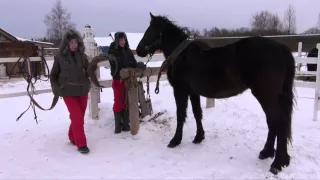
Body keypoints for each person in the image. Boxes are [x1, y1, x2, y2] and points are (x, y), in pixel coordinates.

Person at [50, 29, 91, 154]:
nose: (74, 45)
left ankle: (72, 136)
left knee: (79, 117)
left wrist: (93, 67)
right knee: (77, 116)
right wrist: (57, 89)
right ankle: (81, 143)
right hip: (68, 92)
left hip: (82, 91)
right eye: (71, 43)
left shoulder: (83, 57)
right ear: (67, 44)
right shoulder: (60, 58)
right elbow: (53, 76)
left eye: (76, 43)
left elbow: (89, 71)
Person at [108, 32, 138, 133]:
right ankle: (117, 126)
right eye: (121, 40)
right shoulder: (113, 52)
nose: (123, 42)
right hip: (118, 80)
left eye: (124, 40)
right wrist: (128, 64)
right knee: (118, 102)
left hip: (128, 80)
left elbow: (133, 63)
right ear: (117, 41)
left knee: (126, 102)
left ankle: (125, 124)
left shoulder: (128, 51)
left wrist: (139, 65)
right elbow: (119, 65)